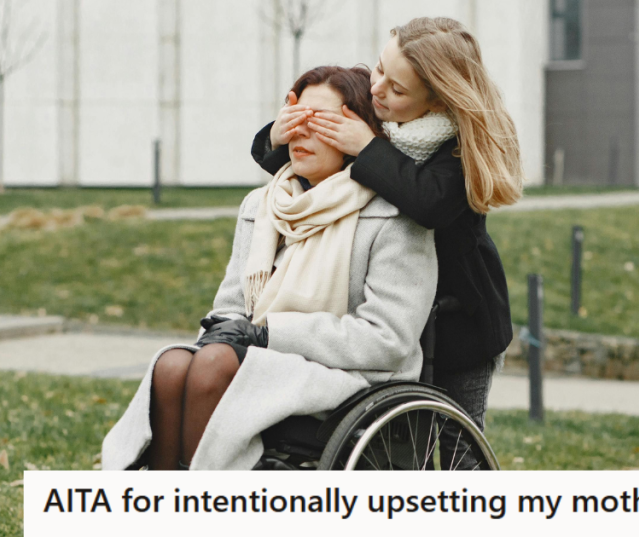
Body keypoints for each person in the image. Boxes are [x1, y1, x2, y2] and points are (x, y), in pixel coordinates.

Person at [101, 65, 437, 471]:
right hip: (261, 359)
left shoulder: (394, 218)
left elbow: (386, 340)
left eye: (320, 122)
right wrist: (233, 332)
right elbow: (229, 305)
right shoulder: (263, 206)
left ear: (354, 132)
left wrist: (267, 334)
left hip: (349, 374)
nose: (299, 132)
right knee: (172, 366)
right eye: (294, 119)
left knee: (213, 364)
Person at [251, 17, 523, 445]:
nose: (378, 89)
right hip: (388, 308)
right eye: (380, 69)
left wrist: (368, 148)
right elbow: (319, 172)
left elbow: (427, 203)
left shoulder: (454, 149)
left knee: (459, 447)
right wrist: (277, 137)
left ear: (436, 101)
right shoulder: (379, 126)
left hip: (458, 324)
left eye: (397, 90)